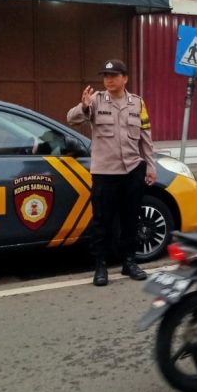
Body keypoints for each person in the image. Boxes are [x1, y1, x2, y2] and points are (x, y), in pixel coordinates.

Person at [67, 59, 155, 287]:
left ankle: (129, 261)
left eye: (113, 75)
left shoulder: (138, 103)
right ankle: (101, 265)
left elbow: (145, 136)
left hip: (133, 171)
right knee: (102, 222)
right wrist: (84, 107)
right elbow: (72, 118)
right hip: (105, 173)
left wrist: (151, 166)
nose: (108, 79)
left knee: (130, 220)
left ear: (125, 78)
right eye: (105, 75)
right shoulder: (95, 100)